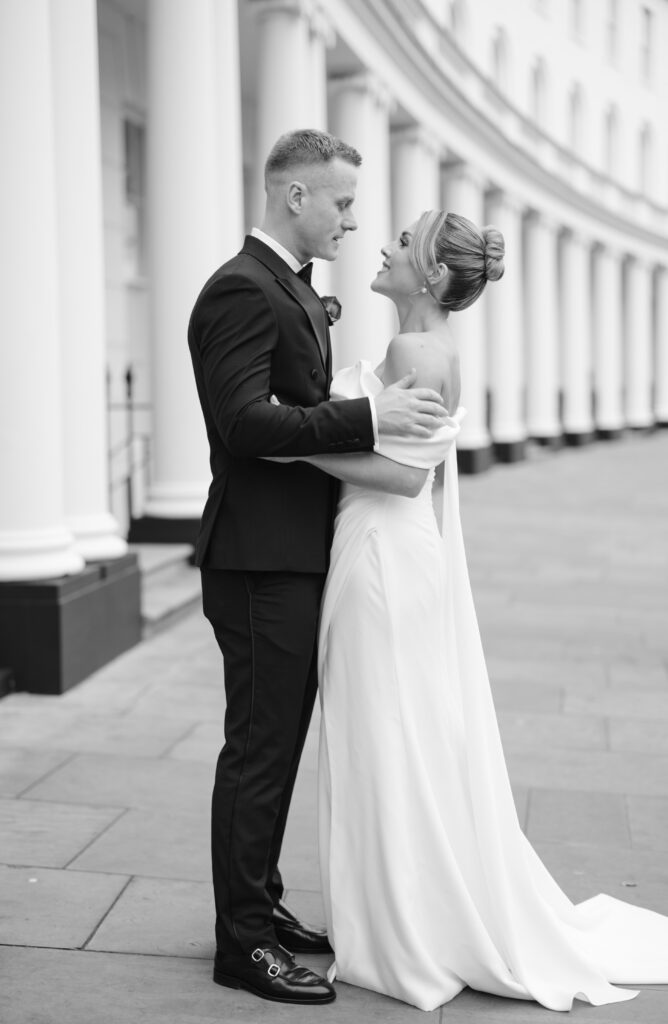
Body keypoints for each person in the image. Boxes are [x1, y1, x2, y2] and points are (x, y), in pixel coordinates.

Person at [279, 210, 668, 1012]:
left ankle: (405, 926)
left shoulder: (414, 351)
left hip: (383, 552)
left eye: (401, 240)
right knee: (400, 732)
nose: (382, 246)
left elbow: (399, 476)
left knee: (385, 735)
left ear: (424, 272)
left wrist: (280, 440)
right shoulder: (434, 348)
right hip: (391, 554)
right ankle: (407, 908)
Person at [187, 130, 449, 1006]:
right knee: (260, 752)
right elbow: (245, 426)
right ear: (293, 196)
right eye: (340, 201)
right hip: (259, 559)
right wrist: (366, 418)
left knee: (279, 743)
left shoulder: (288, 287)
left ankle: (259, 905)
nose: (351, 219)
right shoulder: (238, 288)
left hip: (294, 554)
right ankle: (243, 944)